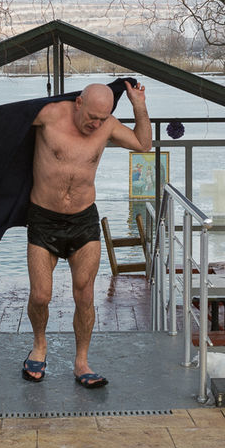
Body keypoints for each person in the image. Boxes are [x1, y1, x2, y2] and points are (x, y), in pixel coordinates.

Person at [21, 81, 152, 388]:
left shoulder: (106, 127)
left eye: (103, 119)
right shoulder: (50, 115)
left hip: (83, 220)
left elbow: (143, 144)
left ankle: (82, 362)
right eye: (92, 116)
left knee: (86, 294)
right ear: (78, 103)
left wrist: (139, 106)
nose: (96, 123)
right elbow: (6, 124)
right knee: (41, 295)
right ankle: (39, 345)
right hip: (43, 219)